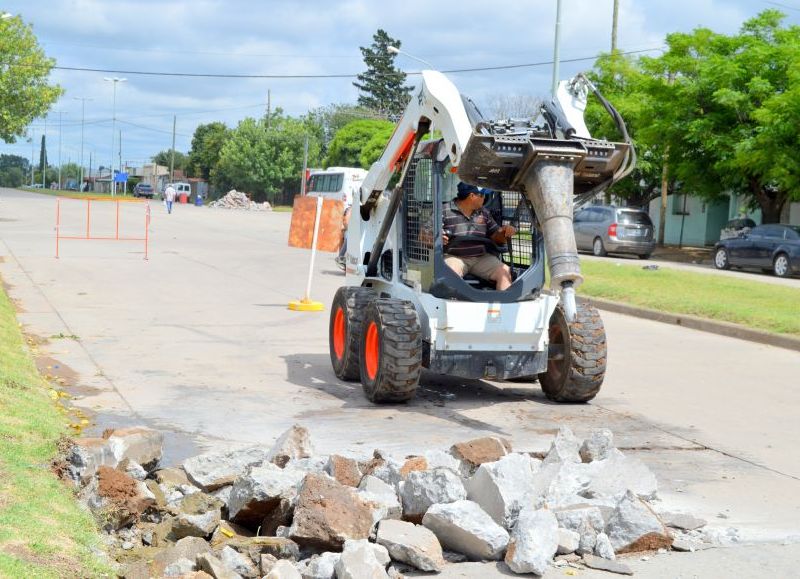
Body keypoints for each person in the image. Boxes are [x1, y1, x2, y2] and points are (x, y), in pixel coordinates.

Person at [442, 182, 517, 290]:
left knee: (505, 272)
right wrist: (436, 237)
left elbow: (496, 237)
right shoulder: (444, 210)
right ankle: (455, 304)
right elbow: (425, 234)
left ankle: (504, 304)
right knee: (451, 274)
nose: (485, 198)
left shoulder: (483, 213)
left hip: (480, 257)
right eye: (482, 195)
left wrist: (505, 232)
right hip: (455, 257)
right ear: (472, 196)